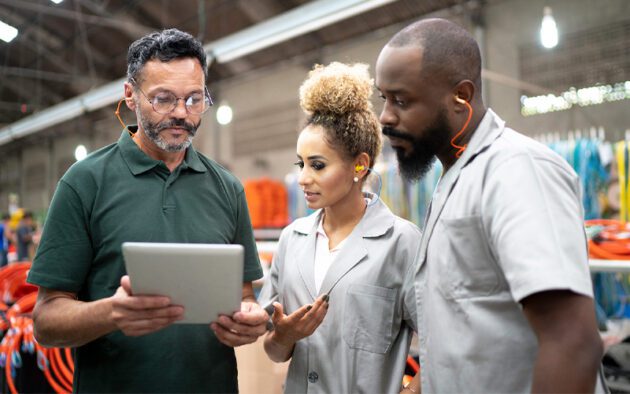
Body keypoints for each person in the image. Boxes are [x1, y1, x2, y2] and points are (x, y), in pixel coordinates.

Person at [27, 29, 268, 393]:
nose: (181, 114)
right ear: (129, 95)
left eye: (194, 99)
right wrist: (111, 313)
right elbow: (45, 320)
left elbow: (244, 296)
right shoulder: (85, 183)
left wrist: (250, 320)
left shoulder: (227, 188)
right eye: (163, 99)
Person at [375, 18, 606, 393]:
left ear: (460, 97)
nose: (385, 115)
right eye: (383, 98)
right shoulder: (456, 176)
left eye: (401, 100)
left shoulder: (516, 172)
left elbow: (572, 343)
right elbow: (467, 332)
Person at [258, 62, 421, 393]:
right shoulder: (292, 240)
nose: (303, 178)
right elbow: (274, 352)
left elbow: (443, 341)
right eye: (300, 164)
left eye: (317, 165)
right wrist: (285, 335)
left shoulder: (401, 242)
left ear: (359, 165)